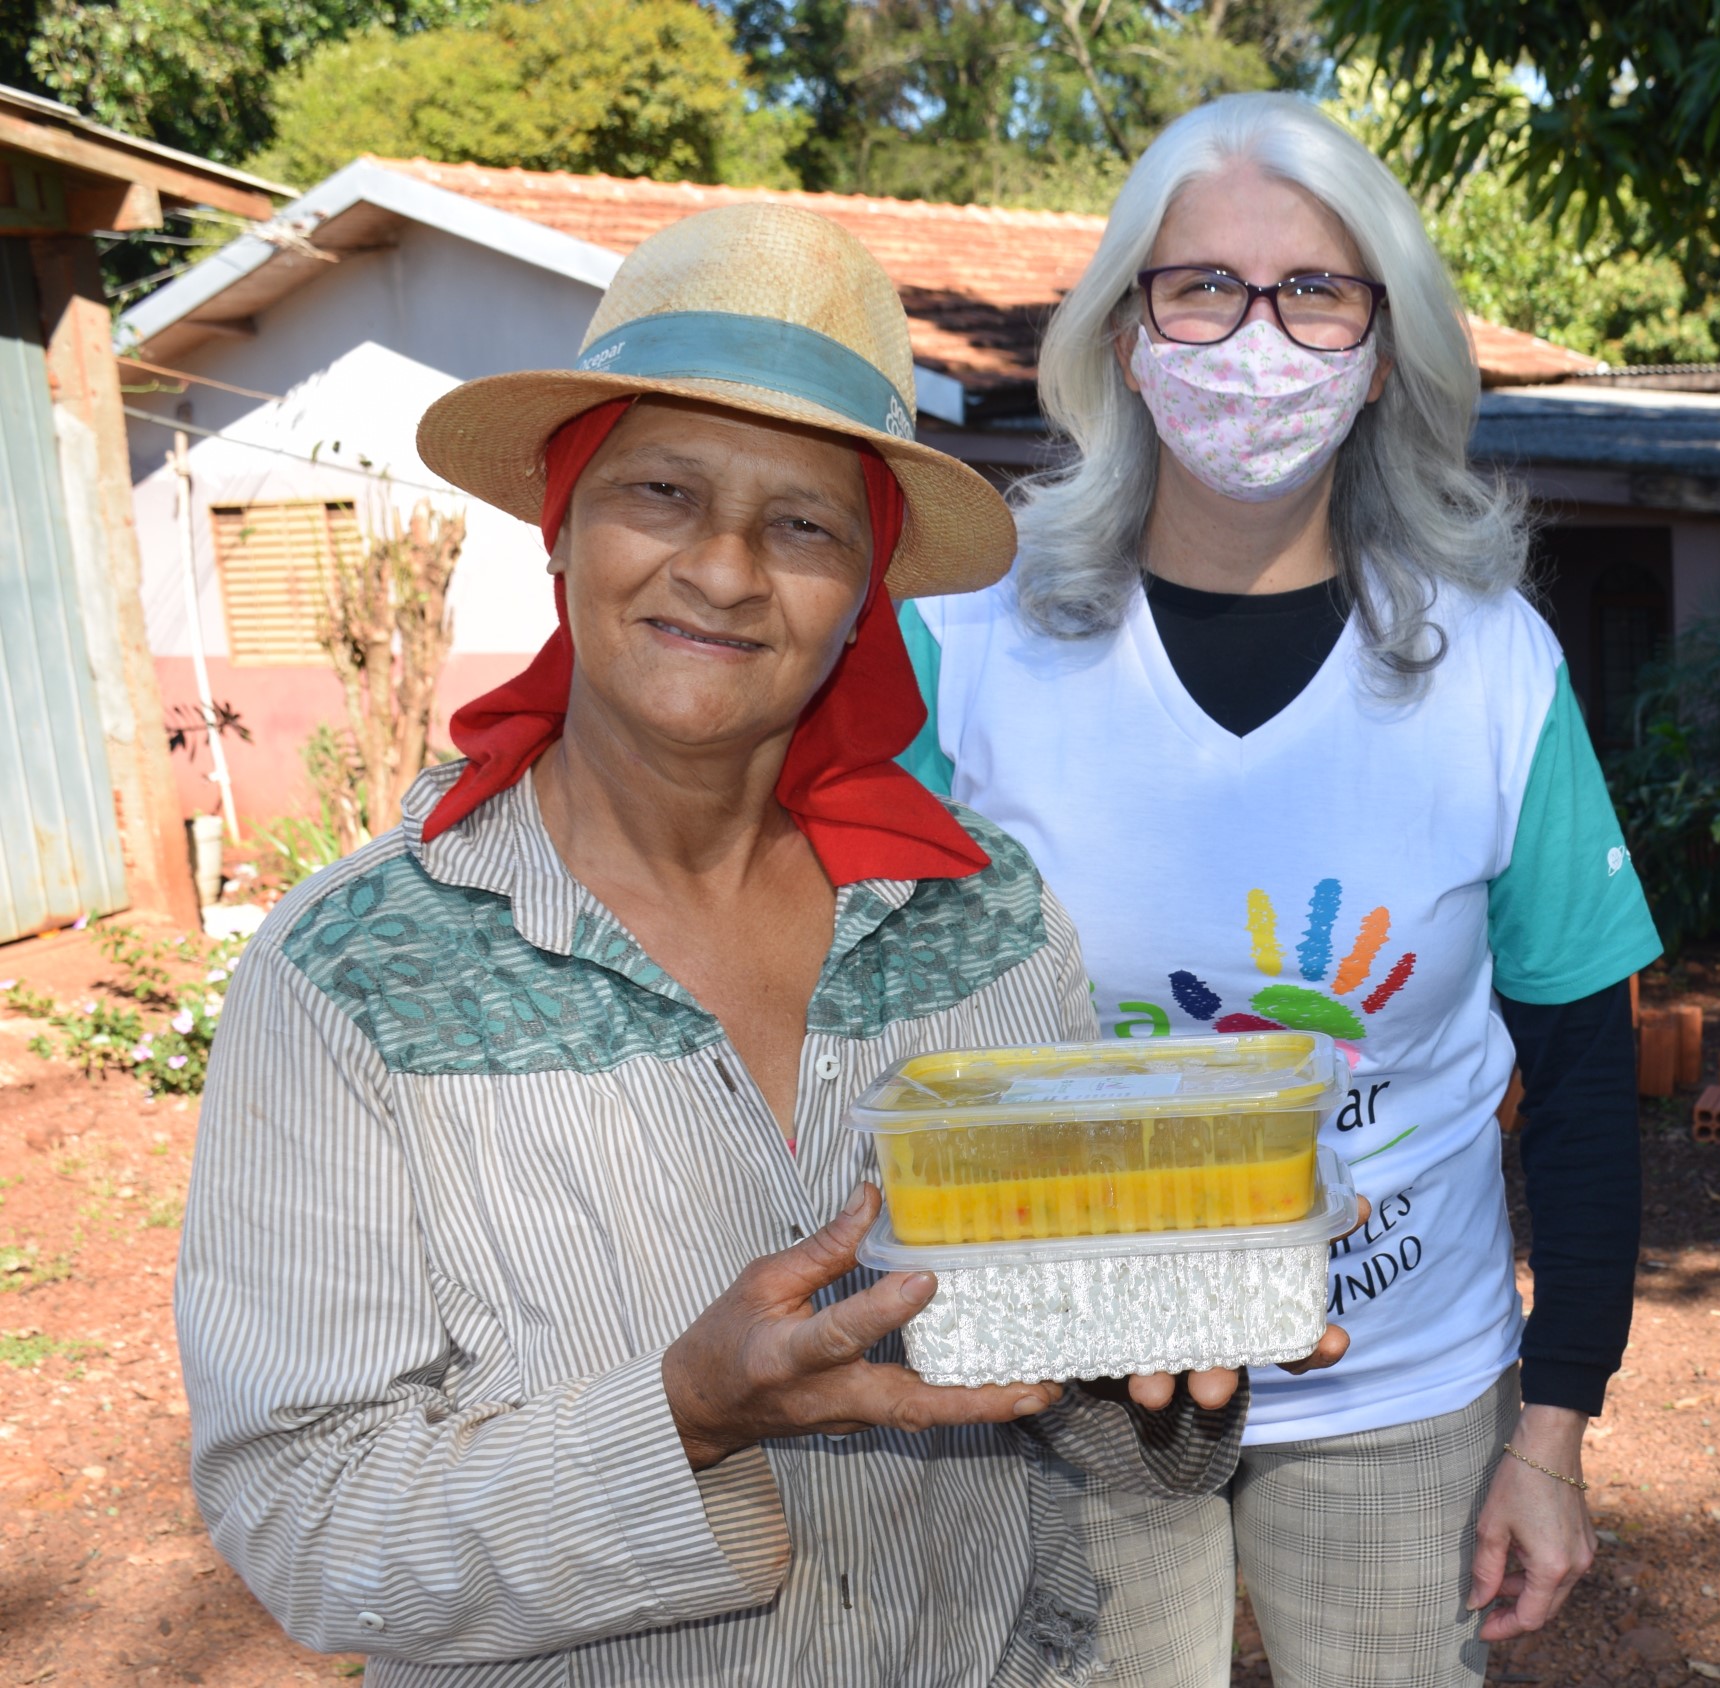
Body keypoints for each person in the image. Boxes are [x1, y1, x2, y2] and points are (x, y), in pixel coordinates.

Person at [175, 203, 1335, 1687]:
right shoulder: (356, 974)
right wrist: (683, 1416)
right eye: (662, 492)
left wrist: (1170, 1362)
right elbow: (302, 1515)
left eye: (803, 525)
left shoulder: (984, 924)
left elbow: (1061, 1402)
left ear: (862, 593)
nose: (724, 572)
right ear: (565, 524)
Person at [898, 93, 1658, 1686]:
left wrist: (1556, 1425)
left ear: (1384, 350)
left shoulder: (1494, 668)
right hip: (1064, 1394)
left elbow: (1586, 1075)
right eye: (1201, 289)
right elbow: (844, 1028)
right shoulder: (967, 646)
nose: (1256, 340)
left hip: (1403, 1397)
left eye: (1316, 291)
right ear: (1122, 332)